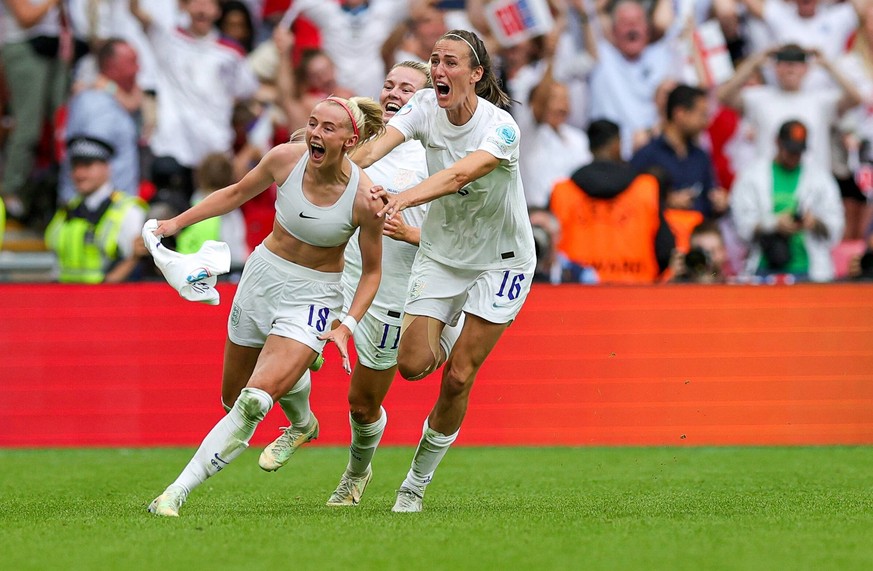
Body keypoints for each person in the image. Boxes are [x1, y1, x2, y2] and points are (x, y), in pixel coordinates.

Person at [146, 94, 386, 517]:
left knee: (254, 402)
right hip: (262, 276)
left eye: (328, 128)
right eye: (313, 123)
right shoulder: (285, 159)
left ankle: (174, 493)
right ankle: (303, 422)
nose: (315, 133)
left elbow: (370, 273)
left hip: (314, 294)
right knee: (232, 398)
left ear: (350, 141)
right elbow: (236, 192)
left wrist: (346, 324)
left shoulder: (365, 198)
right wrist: (174, 224)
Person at [353, 29, 536, 513]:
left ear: (475, 74)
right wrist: (335, 172)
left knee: (457, 378)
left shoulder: (501, 129)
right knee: (413, 365)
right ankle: (454, 324)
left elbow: (459, 175)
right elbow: (373, 151)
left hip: (500, 261)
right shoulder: (422, 110)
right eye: (434, 60)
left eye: (450, 62)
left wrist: (403, 198)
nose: (438, 69)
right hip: (442, 254)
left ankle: (414, 485)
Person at [549, 119, 673, 284]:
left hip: (576, 292)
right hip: (636, 292)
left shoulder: (562, 191)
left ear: (590, 147)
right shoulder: (646, 188)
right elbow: (665, 250)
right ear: (616, 144)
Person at [730, 119, 844, 282]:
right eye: (790, 150)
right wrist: (774, 224)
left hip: (809, 270)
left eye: (799, 151)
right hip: (764, 267)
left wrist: (814, 222)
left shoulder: (821, 178)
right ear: (777, 142)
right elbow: (740, 226)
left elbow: (836, 227)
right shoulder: (752, 176)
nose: (794, 156)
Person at [45, 136, 147, 283]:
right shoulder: (67, 209)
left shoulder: (129, 210)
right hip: (64, 298)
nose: (79, 174)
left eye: (87, 165)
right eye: (75, 166)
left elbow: (136, 262)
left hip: (109, 300)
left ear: (107, 167)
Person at [60, 38, 142, 204]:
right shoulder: (96, 104)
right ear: (112, 66)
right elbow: (87, 163)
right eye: (131, 62)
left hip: (114, 209)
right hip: (95, 213)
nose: (138, 68)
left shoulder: (117, 98)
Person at [175, 153, 251, 270]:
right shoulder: (229, 212)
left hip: (185, 270)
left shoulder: (190, 204)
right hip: (216, 275)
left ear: (199, 176)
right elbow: (236, 254)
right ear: (231, 177)